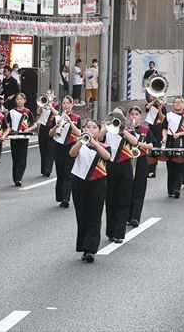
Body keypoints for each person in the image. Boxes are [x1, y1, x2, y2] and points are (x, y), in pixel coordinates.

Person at [69, 119, 111, 263]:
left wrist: (94, 143)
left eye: (94, 127)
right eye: (88, 127)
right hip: (80, 182)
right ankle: (83, 246)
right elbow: (71, 154)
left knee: (95, 215)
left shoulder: (104, 146)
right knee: (82, 215)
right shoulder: (80, 144)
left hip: (98, 182)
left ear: (99, 130)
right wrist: (82, 140)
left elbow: (107, 157)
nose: (91, 129)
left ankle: (91, 249)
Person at [99, 107, 138, 243]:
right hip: (109, 166)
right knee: (110, 200)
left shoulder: (128, 131)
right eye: (113, 115)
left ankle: (119, 233)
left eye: (119, 115)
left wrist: (123, 130)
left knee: (123, 200)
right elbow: (97, 137)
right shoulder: (106, 132)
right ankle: (110, 231)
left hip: (124, 167)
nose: (116, 118)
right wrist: (107, 126)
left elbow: (135, 142)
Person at [49, 96, 82, 208]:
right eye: (64, 103)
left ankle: (66, 198)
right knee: (60, 172)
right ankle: (60, 196)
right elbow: (50, 134)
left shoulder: (76, 118)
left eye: (68, 103)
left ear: (72, 105)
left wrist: (70, 121)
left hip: (71, 147)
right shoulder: (57, 117)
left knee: (68, 173)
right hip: (58, 146)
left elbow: (79, 134)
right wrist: (56, 126)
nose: (66, 105)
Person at [127, 106, 155, 228]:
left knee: (139, 188)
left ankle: (135, 217)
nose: (134, 116)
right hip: (127, 160)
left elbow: (151, 146)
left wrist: (138, 143)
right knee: (128, 189)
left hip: (141, 160)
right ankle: (127, 215)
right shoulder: (125, 130)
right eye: (132, 114)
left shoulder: (145, 130)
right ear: (129, 117)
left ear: (140, 116)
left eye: (136, 114)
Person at [162, 96, 184, 199]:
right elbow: (164, 129)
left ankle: (177, 189)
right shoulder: (168, 115)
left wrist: (179, 133)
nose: (178, 104)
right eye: (176, 102)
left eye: (180, 102)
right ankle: (170, 190)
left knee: (180, 166)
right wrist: (164, 137)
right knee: (171, 167)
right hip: (170, 143)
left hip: (182, 142)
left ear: (183, 104)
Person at [7, 93, 37, 186]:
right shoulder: (11, 112)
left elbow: (35, 124)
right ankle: (15, 177)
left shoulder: (27, 112)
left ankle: (19, 178)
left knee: (22, 157)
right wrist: (9, 129)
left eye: (21, 99)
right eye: (17, 99)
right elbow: (6, 124)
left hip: (24, 137)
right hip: (14, 136)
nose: (19, 101)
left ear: (25, 100)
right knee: (15, 157)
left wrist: (28, 129)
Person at [36, 89, 59, 177]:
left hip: (52, 128)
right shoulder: (43, 104)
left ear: (54, 96)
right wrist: (42, 105)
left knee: (51, 149)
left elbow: (56, 113)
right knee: (43, 149)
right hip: (43, 128)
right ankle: (43, 168)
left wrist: (50, 105)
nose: (48, 95)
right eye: (47, 93)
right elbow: (38, 113)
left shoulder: (56, 105)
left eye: (50, 94)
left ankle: (48, 169)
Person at [144, 91, 166, 178]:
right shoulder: (150, 105)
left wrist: (160, 108)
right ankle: (150, 167)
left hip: (159, 128)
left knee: (156, 147)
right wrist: (154, 101)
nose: (152, 97)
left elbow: (162, 118)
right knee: (150, 147)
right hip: (151, 128)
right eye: (151, 96)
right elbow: (147, 108)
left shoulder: (162, 106)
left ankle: (154, 165)